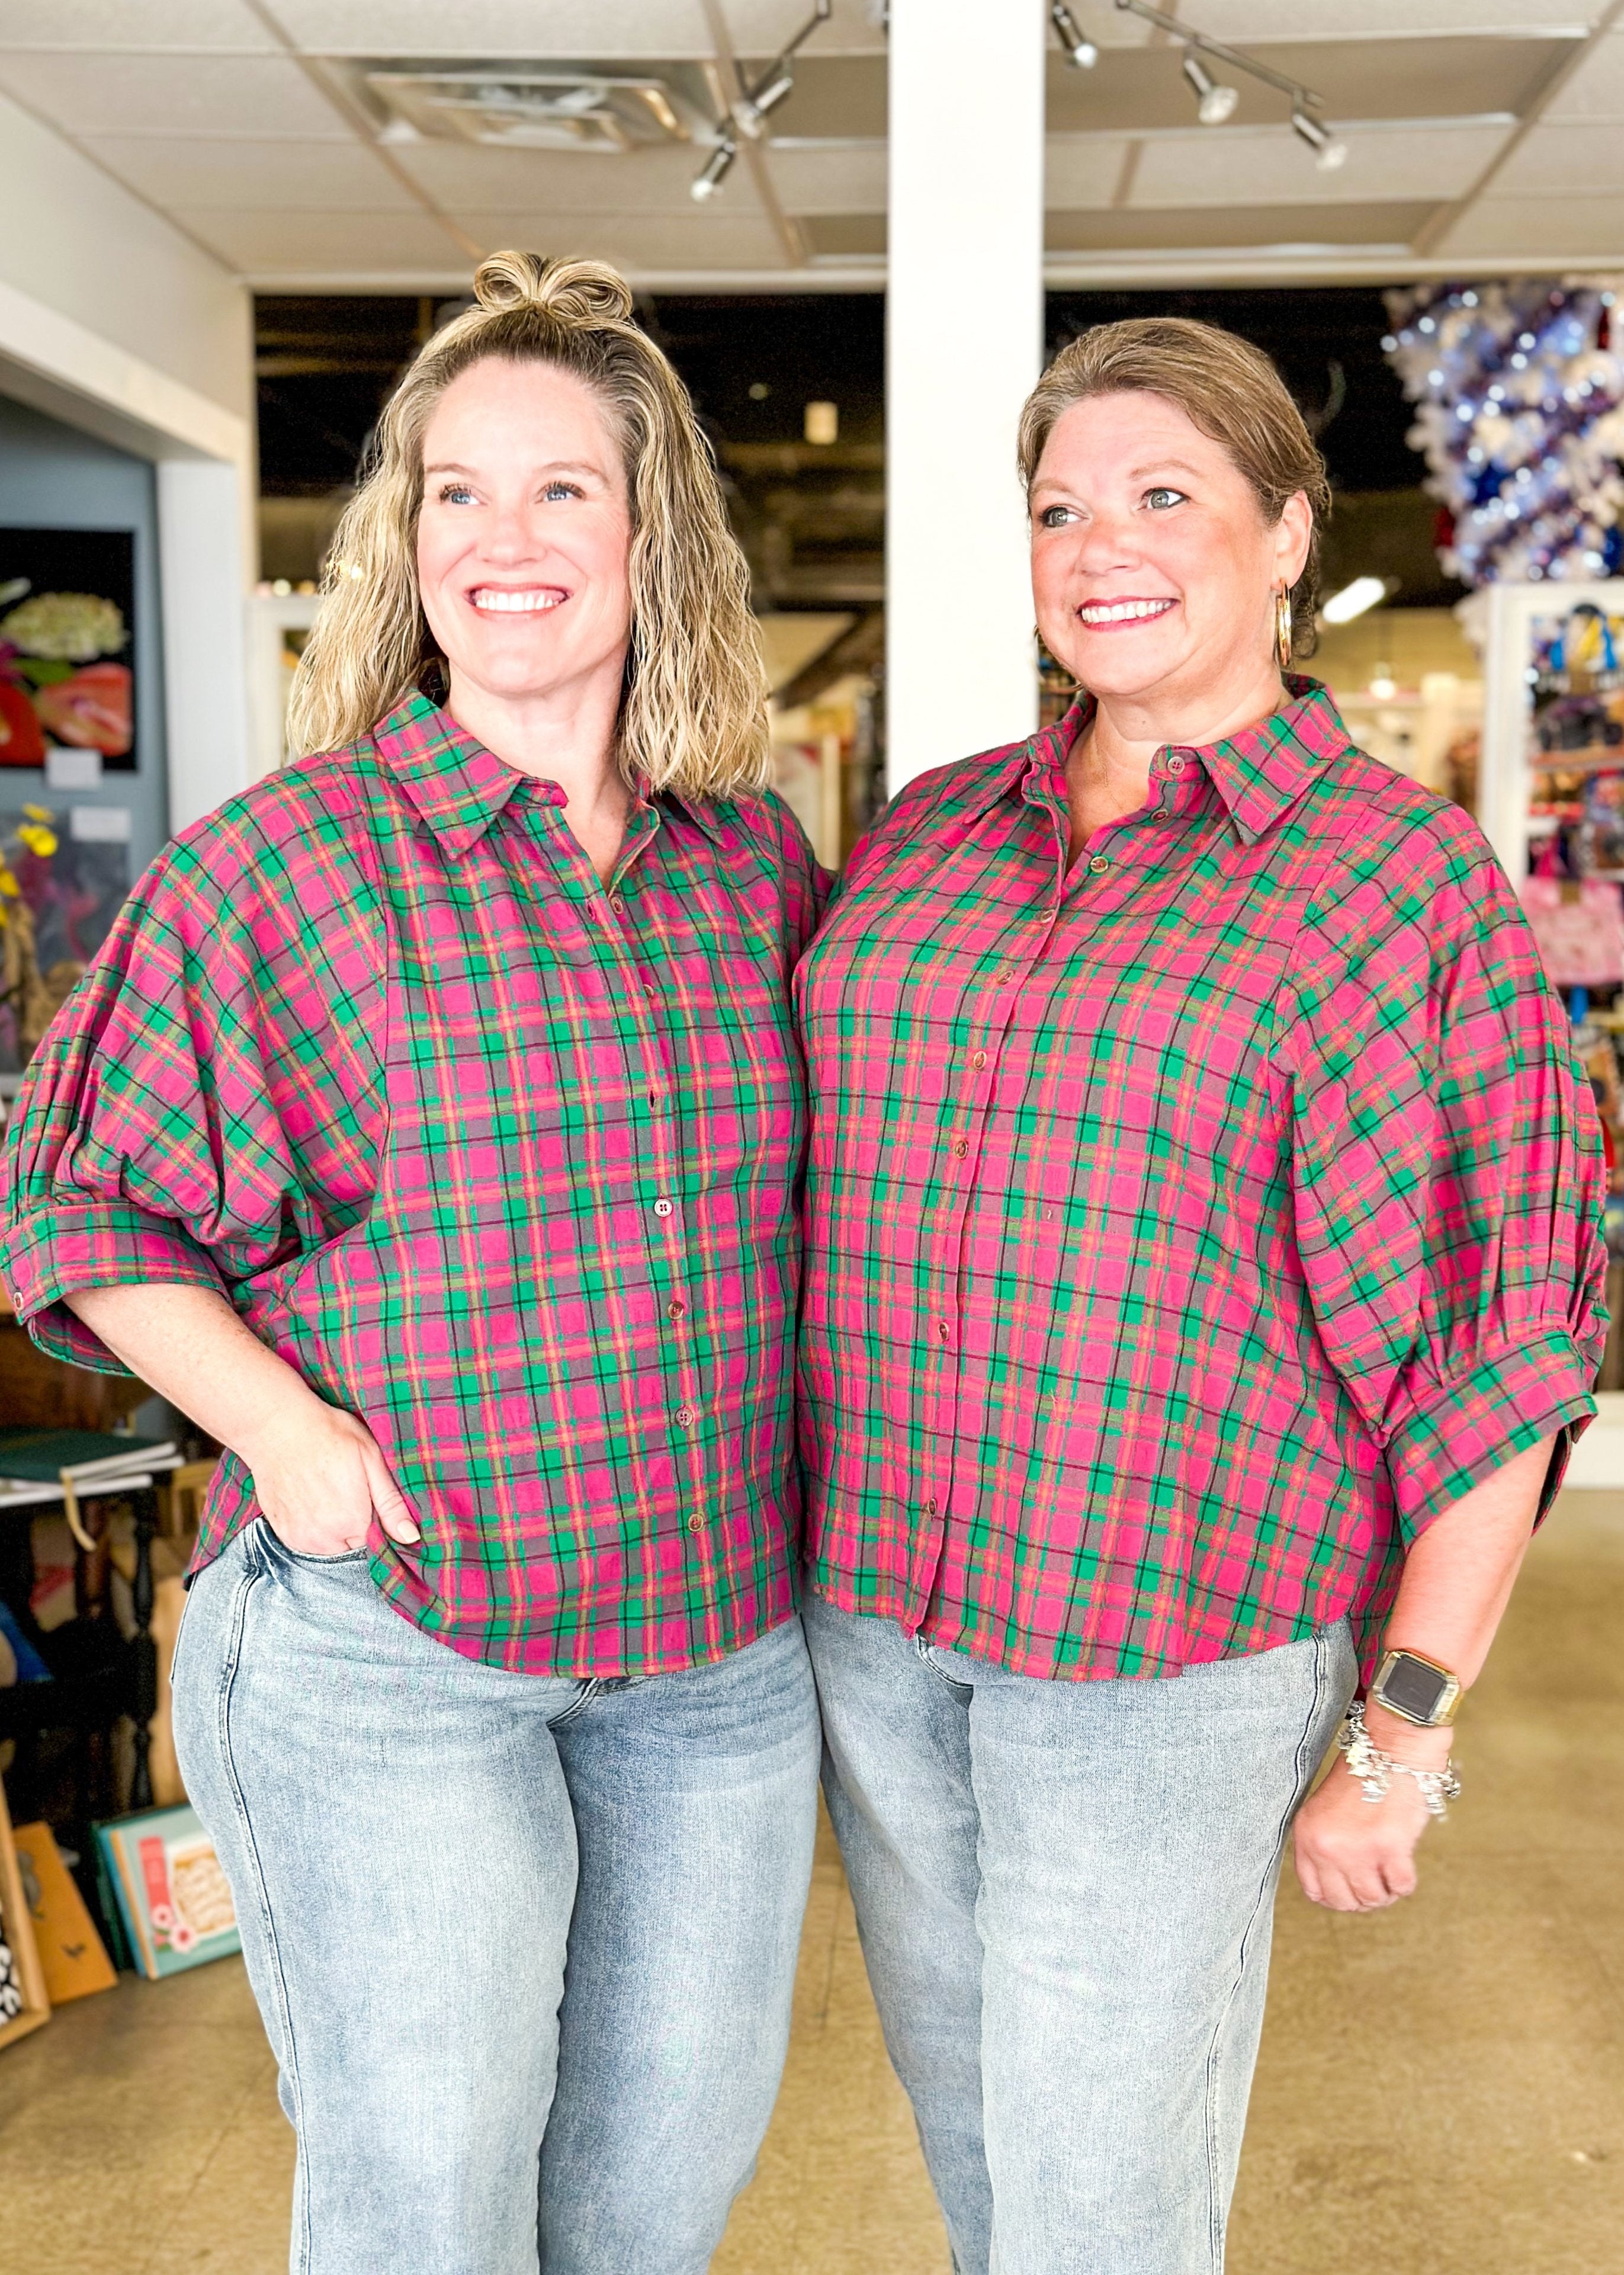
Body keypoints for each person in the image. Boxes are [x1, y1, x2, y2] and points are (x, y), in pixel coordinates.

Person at [0, 252, 823, 2275]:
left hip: (715, 1657)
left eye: (563, 491)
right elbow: (81, 1205)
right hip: (402, 1646)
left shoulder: (755, 865)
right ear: (405, 539)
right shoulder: (291, 864)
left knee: (658, 2197)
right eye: (456, 491)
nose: (504, 539)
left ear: (656, 540)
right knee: (430, 2199)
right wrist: (278, 1432)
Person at [794, 316, 1606, 2274]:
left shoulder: (1396, 887)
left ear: (1287, 536)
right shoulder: (926, 835)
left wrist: (1404, 1727)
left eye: (1164, 497)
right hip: (880, 1622)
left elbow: (1509, 1337)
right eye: (1061, 506)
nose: (1101, 546)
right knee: (985, 2138)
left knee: (1098, 2197)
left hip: (1166, 1645)